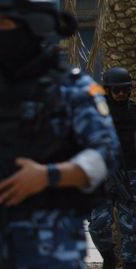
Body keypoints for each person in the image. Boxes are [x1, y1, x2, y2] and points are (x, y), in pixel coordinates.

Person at [0, 1, 120, 268]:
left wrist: (49, 175)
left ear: (32, 28)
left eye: (4, 23)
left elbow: (105, 155)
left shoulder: (73, 88)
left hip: (53, 251)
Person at [89, 67, 136, 269]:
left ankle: (130, 263)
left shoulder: (134, 112)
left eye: (125, 90)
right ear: (107, 90)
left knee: (131, 228)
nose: (121, 94)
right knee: (98, 225)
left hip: (131, 176)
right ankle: (109, 257)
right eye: (117, 90)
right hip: (102, 176)